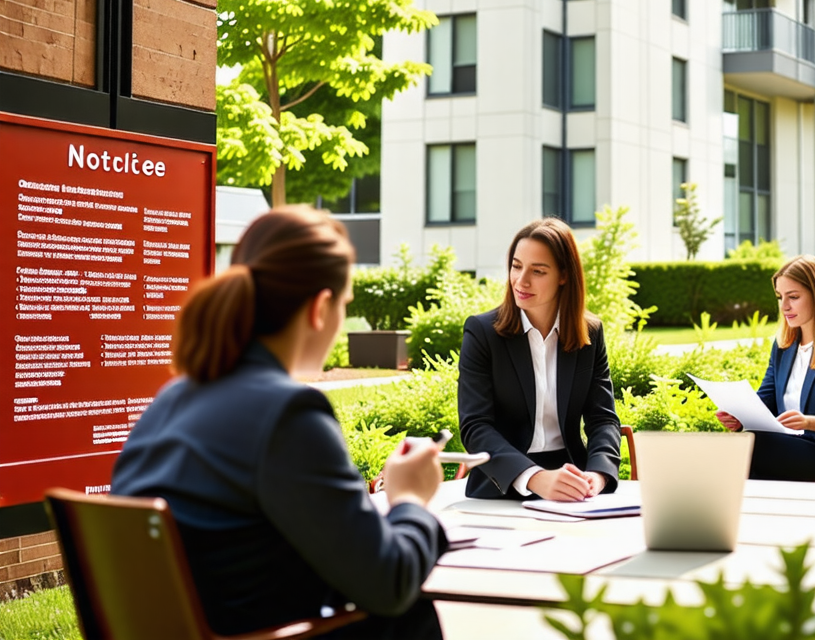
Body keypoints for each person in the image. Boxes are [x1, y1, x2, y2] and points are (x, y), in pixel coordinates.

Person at [112, 206, 447, 639]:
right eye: (344, 304)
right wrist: (410, 500)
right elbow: (389, 583)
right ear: (320, 307)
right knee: (407, 612)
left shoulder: (174, 396)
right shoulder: (289, 414)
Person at [457, 218, 622, 500]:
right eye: (516, 266)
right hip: (504, 487)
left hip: (575, 485)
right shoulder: (482, 332)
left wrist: (598, 474)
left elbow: (602, 418)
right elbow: (476, 427)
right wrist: (534, 478)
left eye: (538, 271)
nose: (521, 281)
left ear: (564, 275)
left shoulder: (590, 334)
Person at [714, 255, 815, 481]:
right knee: (742, 443)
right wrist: (739, 418)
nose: (784, 306)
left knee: (752, 445)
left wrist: (808, 421)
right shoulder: (783, 348)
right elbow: (763, 403)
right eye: (780, 297)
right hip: (786, 448)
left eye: (793, 297)